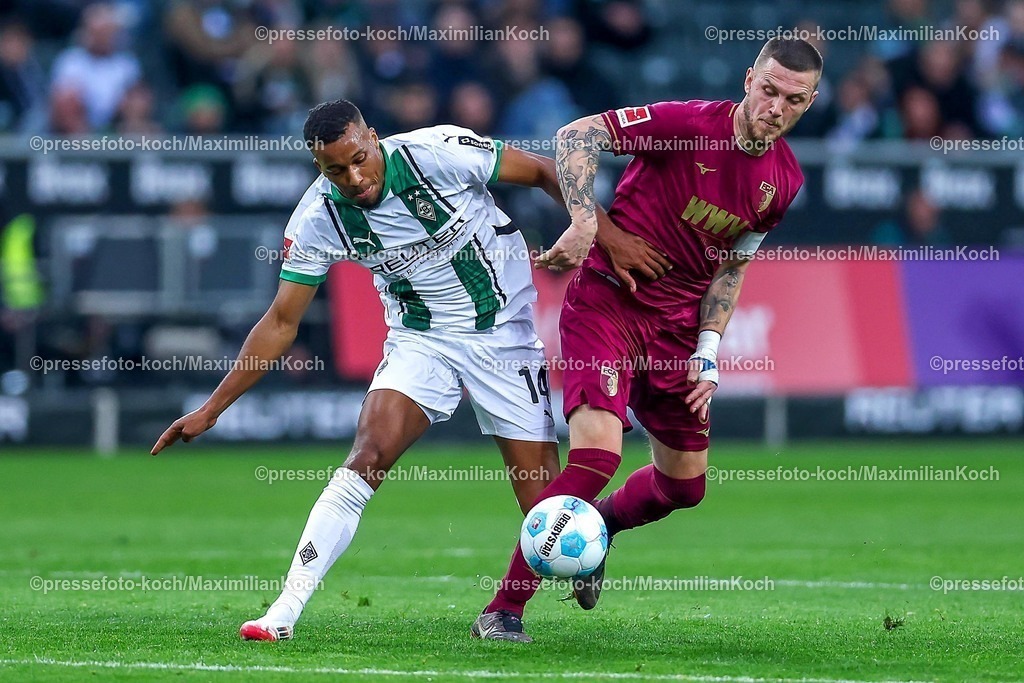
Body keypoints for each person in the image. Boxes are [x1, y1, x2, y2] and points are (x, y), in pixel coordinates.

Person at [150, 99, 663, 642]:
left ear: (373, 137)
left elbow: (541, 171)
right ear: (317, 167)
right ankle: (283, 612)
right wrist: (213, 409)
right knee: (366, 456)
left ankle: (580, 542)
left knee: (547, 511)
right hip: (421, 340)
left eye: (359, 159)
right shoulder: (317, 219)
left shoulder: (438, 153)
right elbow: (280, 322)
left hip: (504, 337)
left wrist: (603, 234)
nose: (354, 178)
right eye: (335, 170)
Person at [472, 38, 820, 643]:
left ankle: (598, 530)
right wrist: (592, 225)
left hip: (678, 334)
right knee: (597, 458)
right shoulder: (687, 126)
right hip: (609, 303)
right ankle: (503, 610)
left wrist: (707, 352)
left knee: (685, 486)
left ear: (809, 103)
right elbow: (577, 135)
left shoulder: (783, 180)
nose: (776, 108)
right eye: (769, 90)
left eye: (793, 100)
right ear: (748, 80)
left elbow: (732, 267)